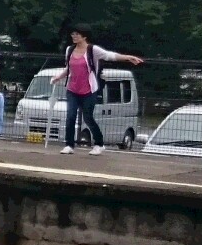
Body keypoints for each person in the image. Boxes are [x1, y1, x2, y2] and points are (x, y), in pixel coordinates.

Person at [62, 26, 144, 156]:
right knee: (70, 116)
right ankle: (69, 145)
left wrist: (128, 57)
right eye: (73, 34)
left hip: (88, 90)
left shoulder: (92, 50)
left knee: (88, 117)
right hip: (72, 89)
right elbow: (68, 68)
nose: (74, 36)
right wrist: (58, 77)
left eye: (77, 34)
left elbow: (110, 55)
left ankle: (99, 144)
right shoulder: (69, 50)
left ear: (84, 36)